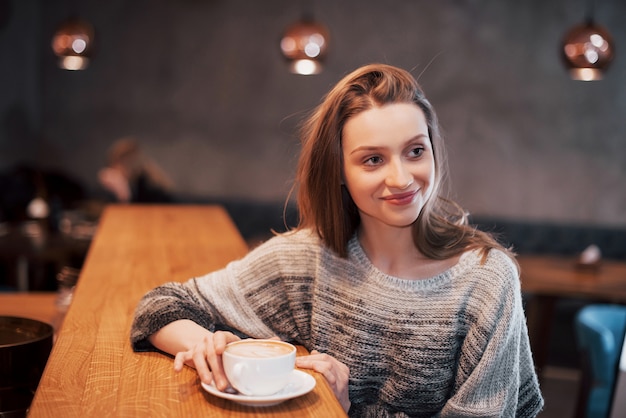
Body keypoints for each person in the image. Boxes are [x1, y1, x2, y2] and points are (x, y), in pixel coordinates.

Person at [130, 63, 544, 417]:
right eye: (373, 159)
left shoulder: (487, 281)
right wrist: (206, 346)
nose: (401, 178)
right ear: (340, 173)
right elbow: (160, 307)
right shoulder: (308, 258)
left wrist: (343, 409)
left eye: (415, 151)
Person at [98, 137, 174, 203]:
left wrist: (122, 191)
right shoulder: (141, 180)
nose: (113, 172)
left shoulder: (147, 184)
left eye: (114, 166)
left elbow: (139, 212)